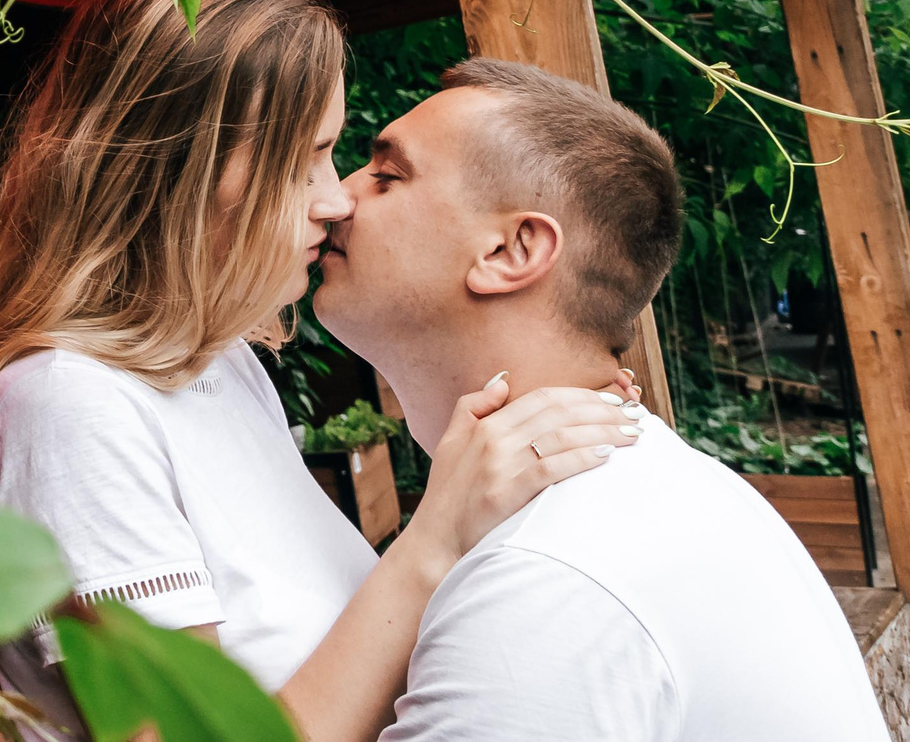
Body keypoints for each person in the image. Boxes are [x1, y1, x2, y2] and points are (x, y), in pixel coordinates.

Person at [0, 0, 639, 742]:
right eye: (298, 163)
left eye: (328, 154)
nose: (336, 200)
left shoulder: (218, 363)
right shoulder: (67, 405)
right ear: (174, 171)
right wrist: (433, 536)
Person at [315, 59, 887, 740]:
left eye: (386, 174)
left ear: (511, 248)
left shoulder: (545, 583)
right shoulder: (645, 493)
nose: (337, 198)